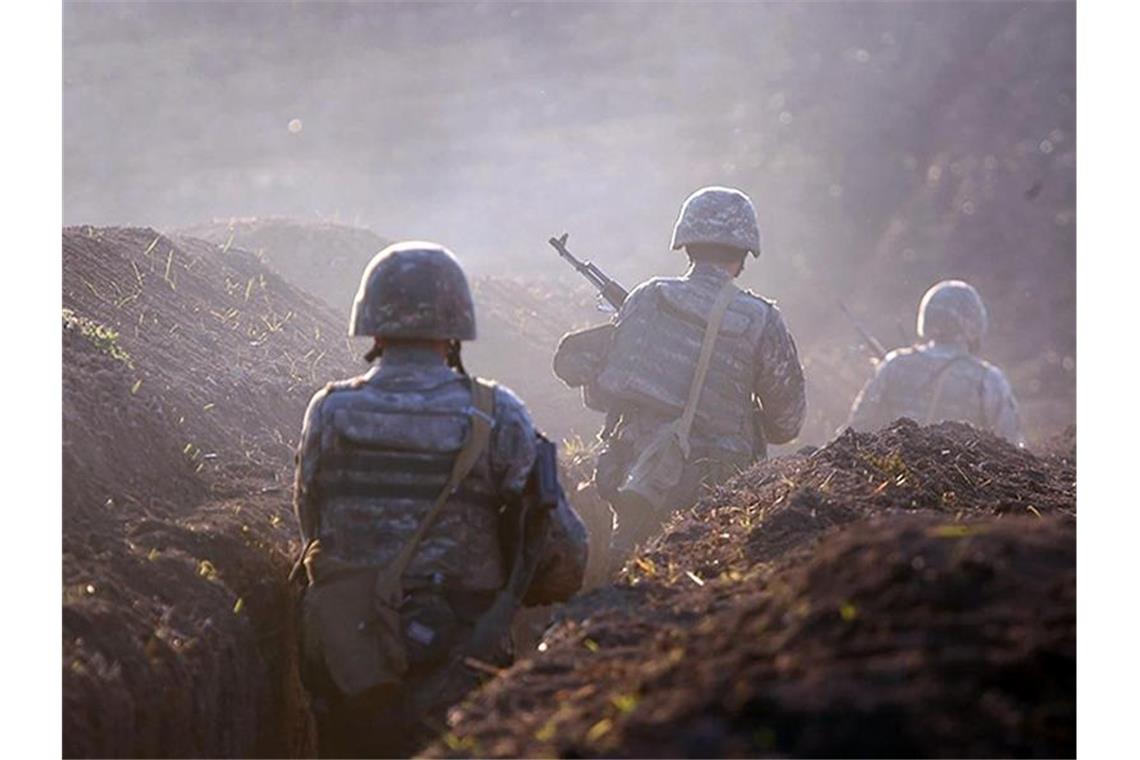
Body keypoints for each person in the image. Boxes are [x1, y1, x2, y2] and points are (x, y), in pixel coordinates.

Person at [292, 241, 587, 757]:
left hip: (352, 660)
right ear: (454, 328)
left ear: (373, 325)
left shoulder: (330, 412)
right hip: (463, 658)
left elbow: (311, 522)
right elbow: (561, 550)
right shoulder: (499, 415)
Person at [553, 186, 806, 570]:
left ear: (686, 244)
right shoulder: (761, 319)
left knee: (620, 577)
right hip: (720, 492)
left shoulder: (646, 298)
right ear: (744, 253)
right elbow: (786, 423)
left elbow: (605, 395)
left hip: (641, 477)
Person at [846, 279, 1025, 446]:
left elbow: (855, 431)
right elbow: (1013, 450)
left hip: (893, 475)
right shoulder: (988, 379)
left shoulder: (893, 364)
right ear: (972, 321)